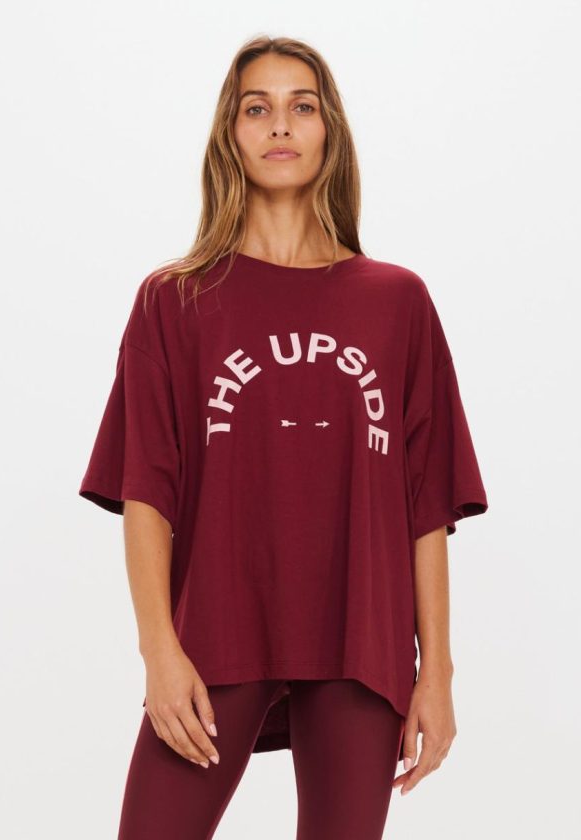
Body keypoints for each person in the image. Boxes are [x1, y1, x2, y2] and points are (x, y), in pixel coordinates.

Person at [78, 35, 489, 840]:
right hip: (218, 629)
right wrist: (159, 653)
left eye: (301, 106)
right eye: (256, 108)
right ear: (230, 135)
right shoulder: (175, 301)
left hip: (360, 640)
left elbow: (425, 506)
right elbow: (147, 491)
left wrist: (435, 672)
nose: (279, 125)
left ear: (329, 129)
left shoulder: (397, 302)